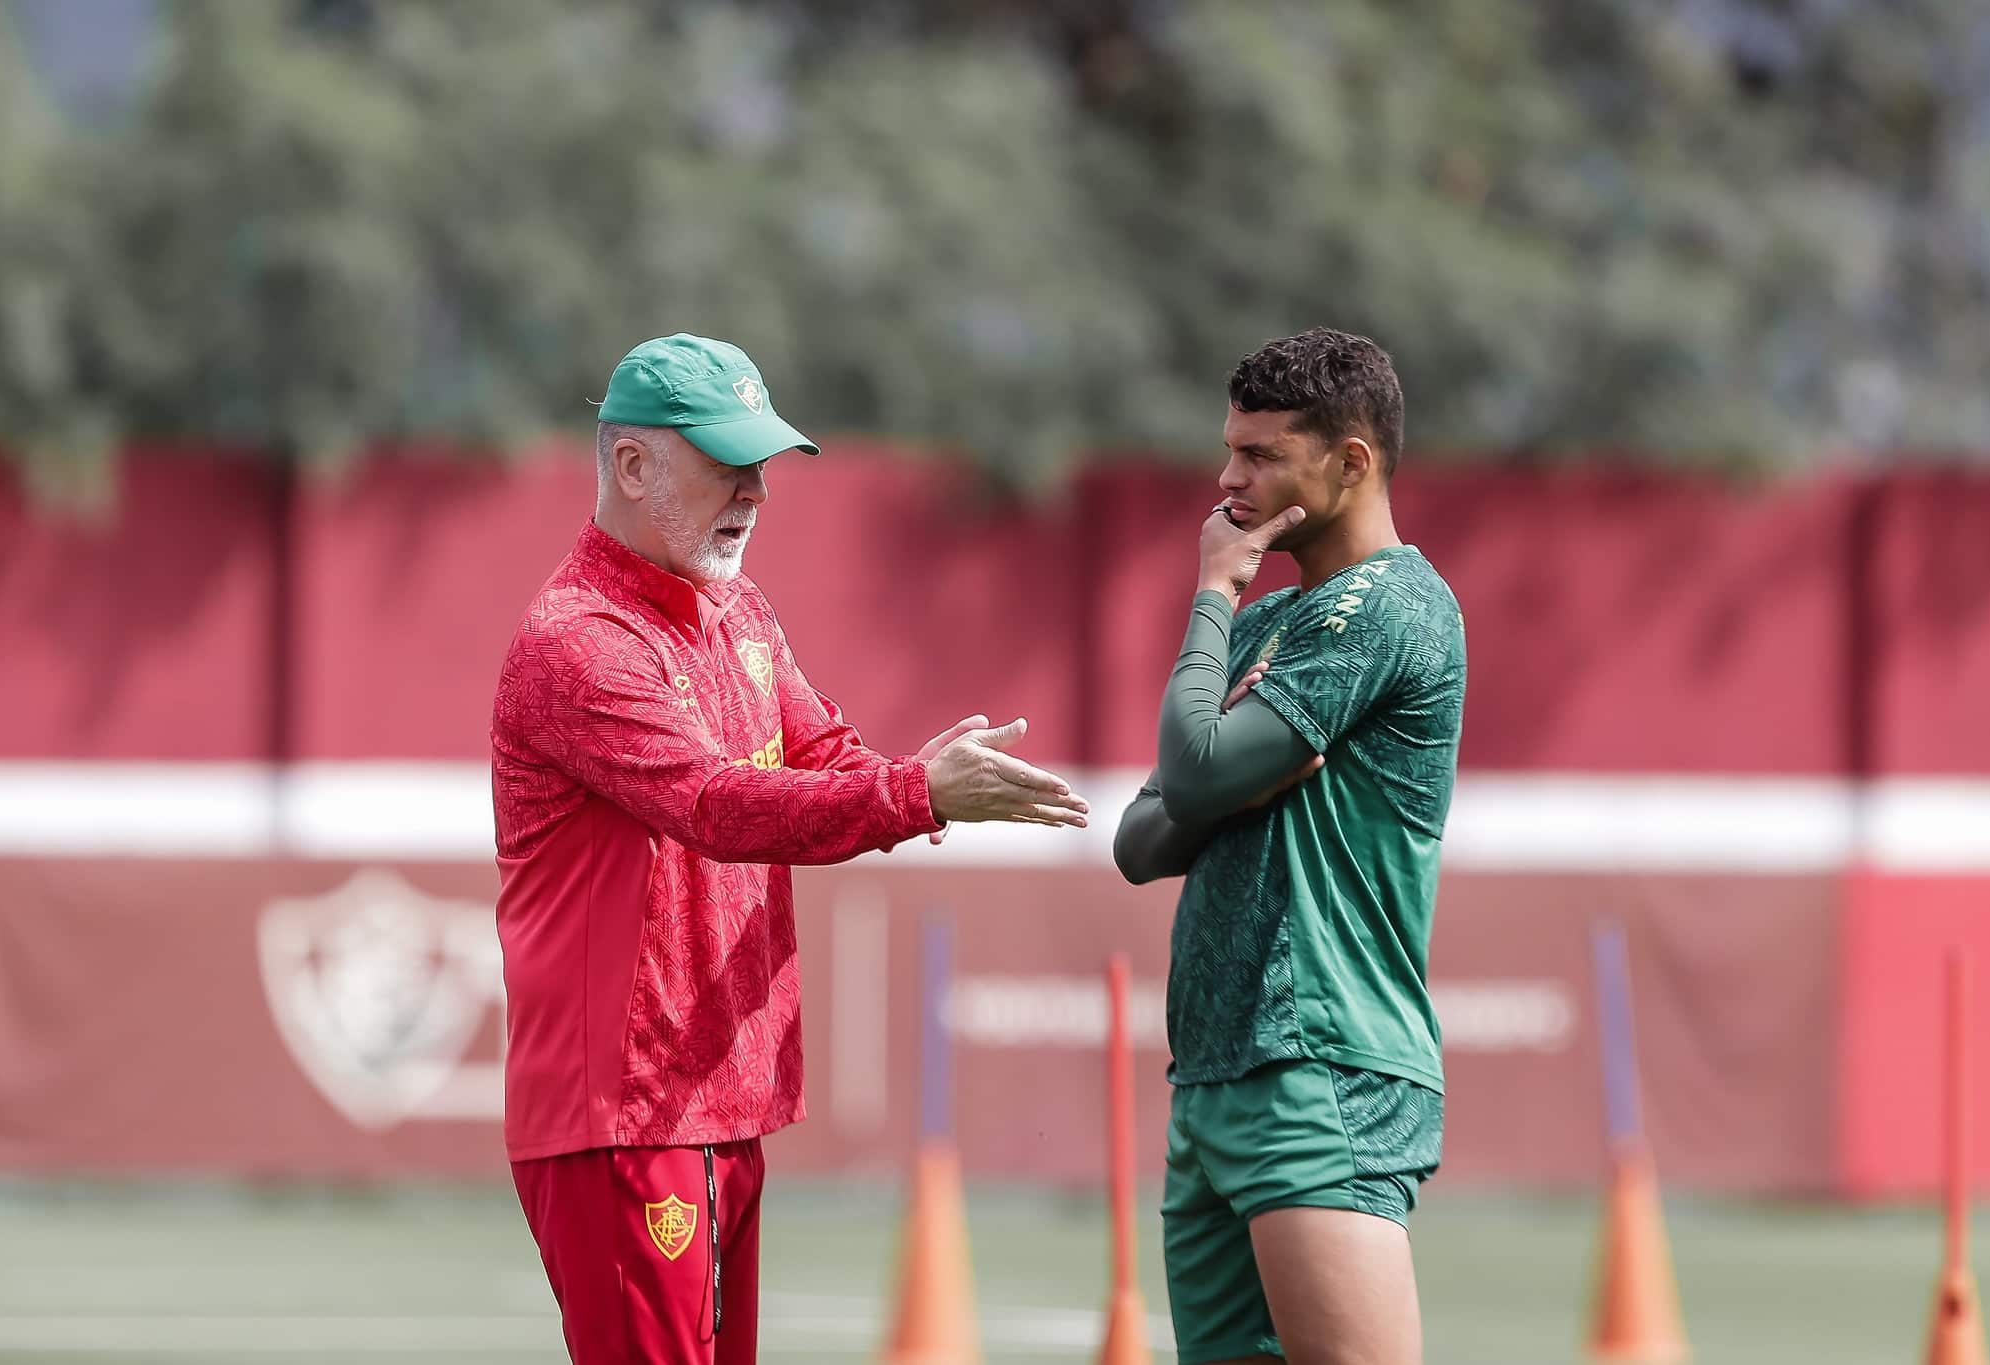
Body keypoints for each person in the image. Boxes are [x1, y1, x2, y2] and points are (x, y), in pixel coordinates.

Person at [491, 333, 1090, 1364]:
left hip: (716, 1098)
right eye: (727, 463)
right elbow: (715, 807)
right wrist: (915, 793)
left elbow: (820, 755)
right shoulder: (576, 641)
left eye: (761, 465)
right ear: (631, 466)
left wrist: (915, 775)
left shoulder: (739, 611)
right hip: (625, 1112)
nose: (755, 492)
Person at [1112, 328, 1467, 1365]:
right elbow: (1141, 836)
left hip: (1322, 1064)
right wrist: (1224, 772)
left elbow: (1185, 778)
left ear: (1350, 462)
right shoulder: (1279, 626)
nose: (1228, 478)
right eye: (1229, 448)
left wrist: (1213, 597)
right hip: (1216, 1071)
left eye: (1260, 453)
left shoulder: (1388, 605)